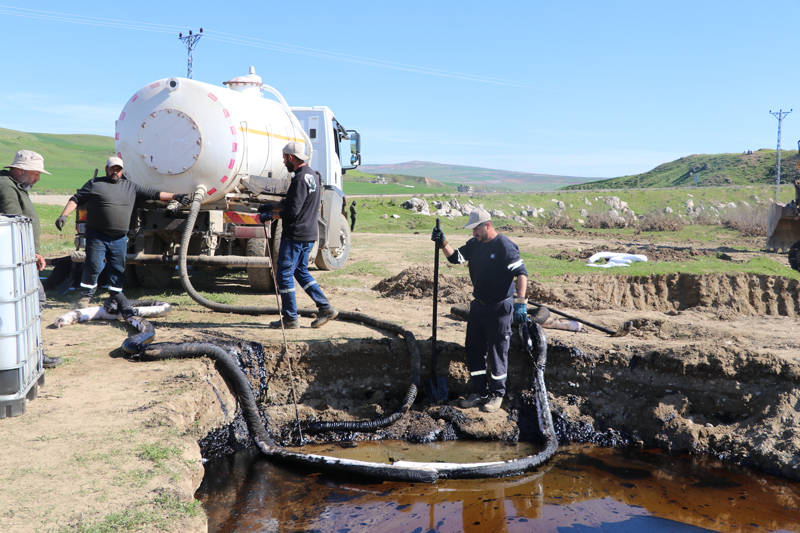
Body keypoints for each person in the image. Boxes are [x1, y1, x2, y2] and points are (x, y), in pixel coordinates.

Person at [431, 208, 547, 413]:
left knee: (497, 350)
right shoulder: (474, 244)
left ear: (487, 225)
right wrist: (443, 243)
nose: (473, 233)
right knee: (473, 347)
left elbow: (521, 273)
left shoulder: (504, 246)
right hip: (478, 305)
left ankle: (497, 394)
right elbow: (455, 258)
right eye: (472, 230)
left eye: (476, 229)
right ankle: (480, 392)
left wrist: (520, 302)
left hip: (500, 307)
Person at [55, 157, 191, 308]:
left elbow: (153, 194)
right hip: (97, 235)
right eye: (112, 168)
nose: (115, 172)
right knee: (94, 265)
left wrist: (175, 196)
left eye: (118, 169)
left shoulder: (131, 186)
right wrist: (64, 215)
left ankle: (115, 296)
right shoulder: (94, 184)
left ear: (122, 171)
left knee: (117, 268)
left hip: (119, 238)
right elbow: (76, 199)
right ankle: (85, 296)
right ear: (106, 169)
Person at [257, 142, 337, 329]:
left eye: (284, 158)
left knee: (284, 275)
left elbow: (293, 211)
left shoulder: (300, 179)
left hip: (295, 235)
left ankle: (290, 319)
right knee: (301, 272)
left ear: (291, 158)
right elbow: (293, 201)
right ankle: (325, 308)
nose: (283, 161)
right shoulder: (312, 176)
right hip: (308, 234)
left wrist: (271, 216)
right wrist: (272, 206)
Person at [0, 150, 62, 368]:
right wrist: (31, 254)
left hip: (22, 257)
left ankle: (32, 352)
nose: (38, 178)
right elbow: (14, 223)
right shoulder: (6, 186)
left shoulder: (15, 185)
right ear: (21, 170)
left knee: (32, 304)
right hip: (16, 260)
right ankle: (31, 353)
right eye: (36, 174)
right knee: (32, 303)